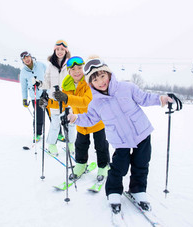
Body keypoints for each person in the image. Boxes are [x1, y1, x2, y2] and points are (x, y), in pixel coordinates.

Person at [68, 56, 173, 213]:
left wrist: (161, 99)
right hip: (119, 139)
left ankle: (137, 190)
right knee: (119, 167)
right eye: (96, 80)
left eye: (103, 76)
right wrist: (75, 118)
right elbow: (90, 119)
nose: (101, 82)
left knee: (141, 163)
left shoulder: (127, 87)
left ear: (109, 74)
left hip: (141, 132)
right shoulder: (95, 102)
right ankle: (114, 192)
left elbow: (144, 98)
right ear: (91, 83)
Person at [53, 56, 110, 181]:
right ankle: (80, 165)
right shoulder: (67, 85)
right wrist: (47, 102)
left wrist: (67, 98)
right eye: (73, 69)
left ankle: (103, 166)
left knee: (100, 145)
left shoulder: (89, 82)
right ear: (69, 71)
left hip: (96, 120)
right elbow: (63, 103)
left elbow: (86, 101)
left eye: (79, 68)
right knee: (81, 145)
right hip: (80, 121)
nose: (77, 71)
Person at [41, 40, 72, 155]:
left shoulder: (70, 64)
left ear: (66, 51)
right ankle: (52, 145)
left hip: (67, 99)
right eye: (57, 49)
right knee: (55, 123)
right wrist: (39, 84)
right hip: (54, 100)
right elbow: (47, 82)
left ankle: (71, 144)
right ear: (55, 50)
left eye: (62, 49)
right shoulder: (51, 66)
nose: (60, 51)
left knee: (70, 123)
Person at [19, 51, 47, 142]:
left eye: (27, 57)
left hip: (46, 93)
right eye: (24, 58)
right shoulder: (23, 72)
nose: (26, 59)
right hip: (35, 96)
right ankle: (37, 134)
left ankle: (58, 133)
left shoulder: (41, 65)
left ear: (31, 57)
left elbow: (49, 76)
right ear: (22, 60)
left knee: (53, 114)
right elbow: (23, 86)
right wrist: (24, 98)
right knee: (38, 116)